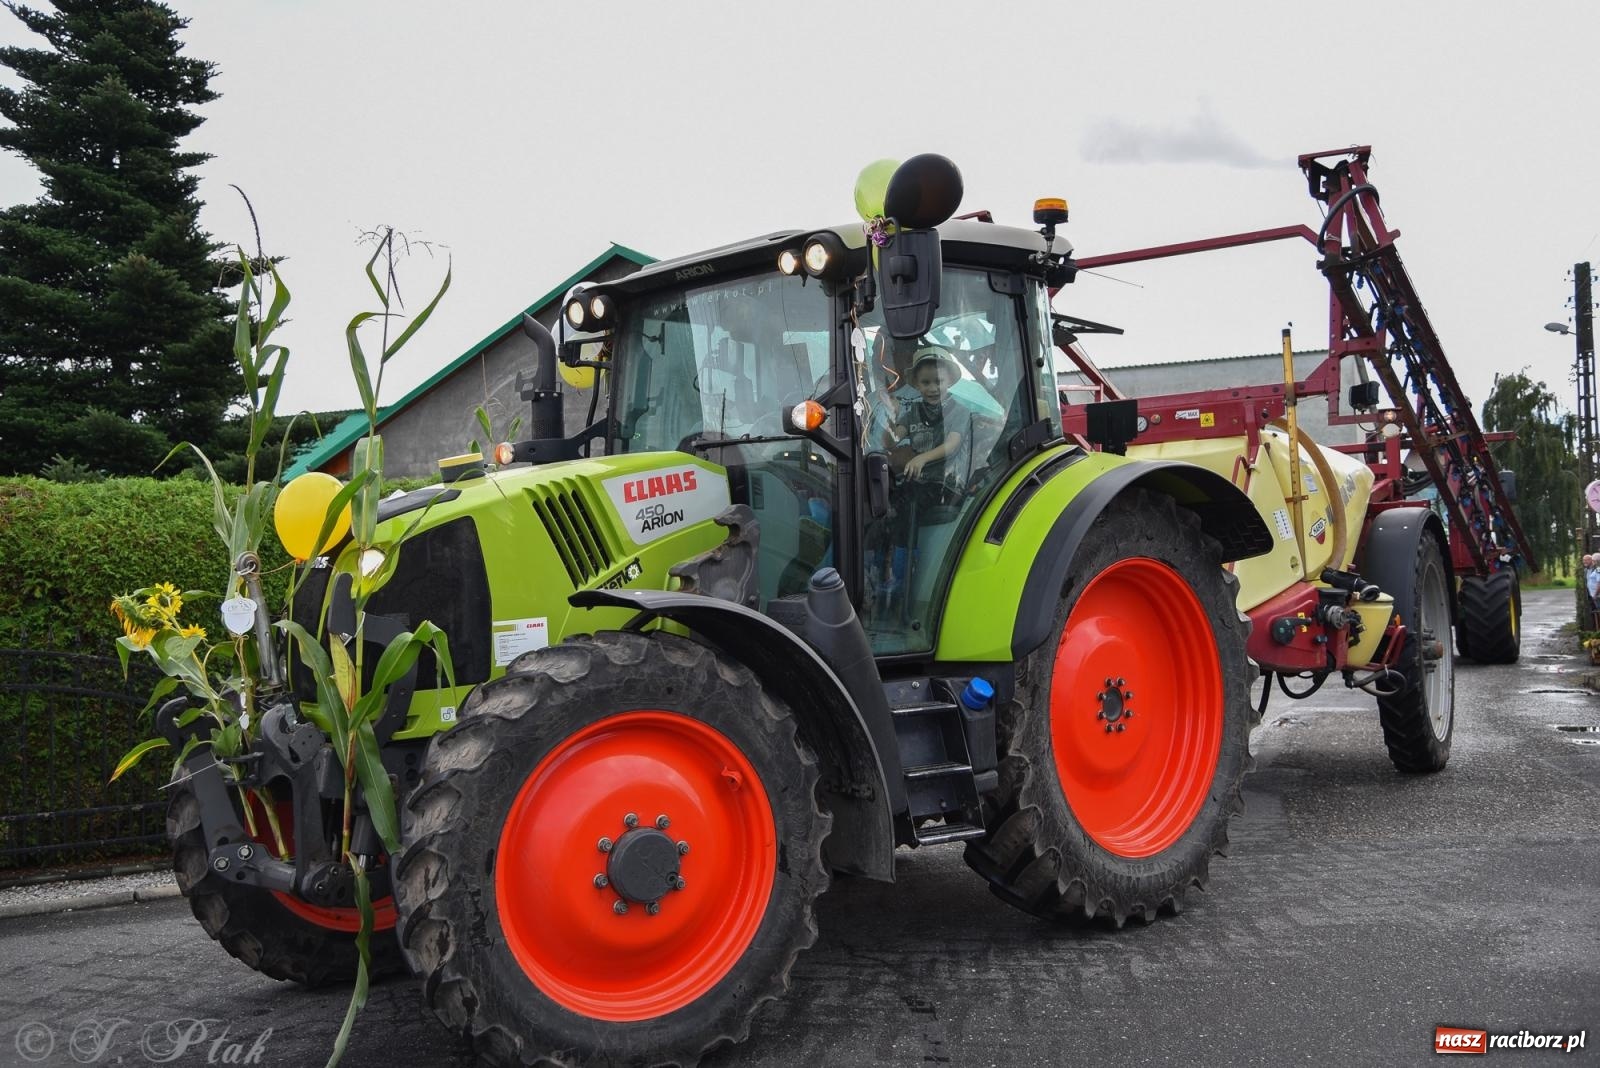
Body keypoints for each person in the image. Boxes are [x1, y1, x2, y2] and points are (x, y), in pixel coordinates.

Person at [887, 346, 973, 494]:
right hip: (919, 484)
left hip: (948, 485)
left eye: (938, 381)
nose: (933, 388)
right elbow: (891, 441)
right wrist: (891, 414)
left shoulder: (960, 411)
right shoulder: (912, 413)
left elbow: (951, 445)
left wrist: (922, 458)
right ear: (916, 384)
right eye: (926, 383)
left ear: (950, 381)